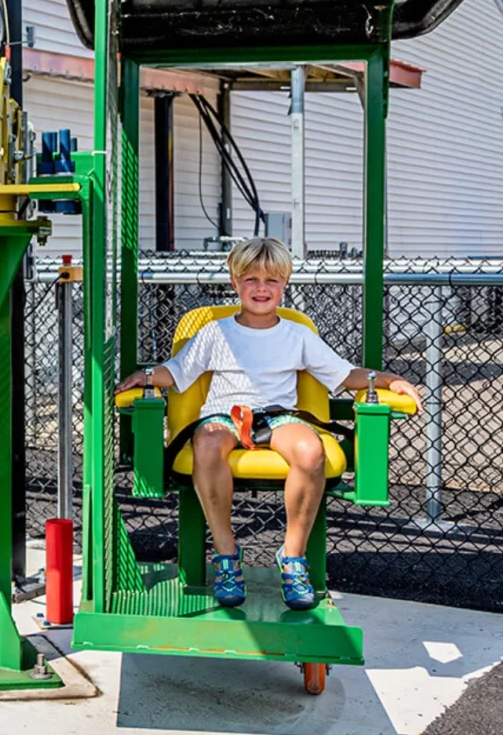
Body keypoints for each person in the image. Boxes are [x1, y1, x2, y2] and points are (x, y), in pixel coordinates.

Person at [117, 237, 420, 611]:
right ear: (234, 283)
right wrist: (146, 376)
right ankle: (227, 555)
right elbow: (177, 371)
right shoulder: (215, 331)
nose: (261, 288)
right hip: (225, 415)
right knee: (207, 442)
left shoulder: (297, 335)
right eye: (251, 279)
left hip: (278, 415)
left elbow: (345, 375)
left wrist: (388, 379)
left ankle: (292, 557)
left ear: (285, 284)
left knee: (310, 450)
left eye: (271, 280)